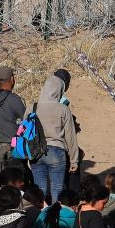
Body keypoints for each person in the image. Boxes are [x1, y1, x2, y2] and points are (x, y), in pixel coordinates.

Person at [33, 73, 80, 203]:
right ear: (59, 90)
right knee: (57, 191)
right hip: (56, 151)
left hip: (36, 153)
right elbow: (71, 136)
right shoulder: (63, 109)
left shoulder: (33, 107)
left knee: (39, 191)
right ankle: (55, 218)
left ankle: (40, 218)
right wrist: (74, 160)